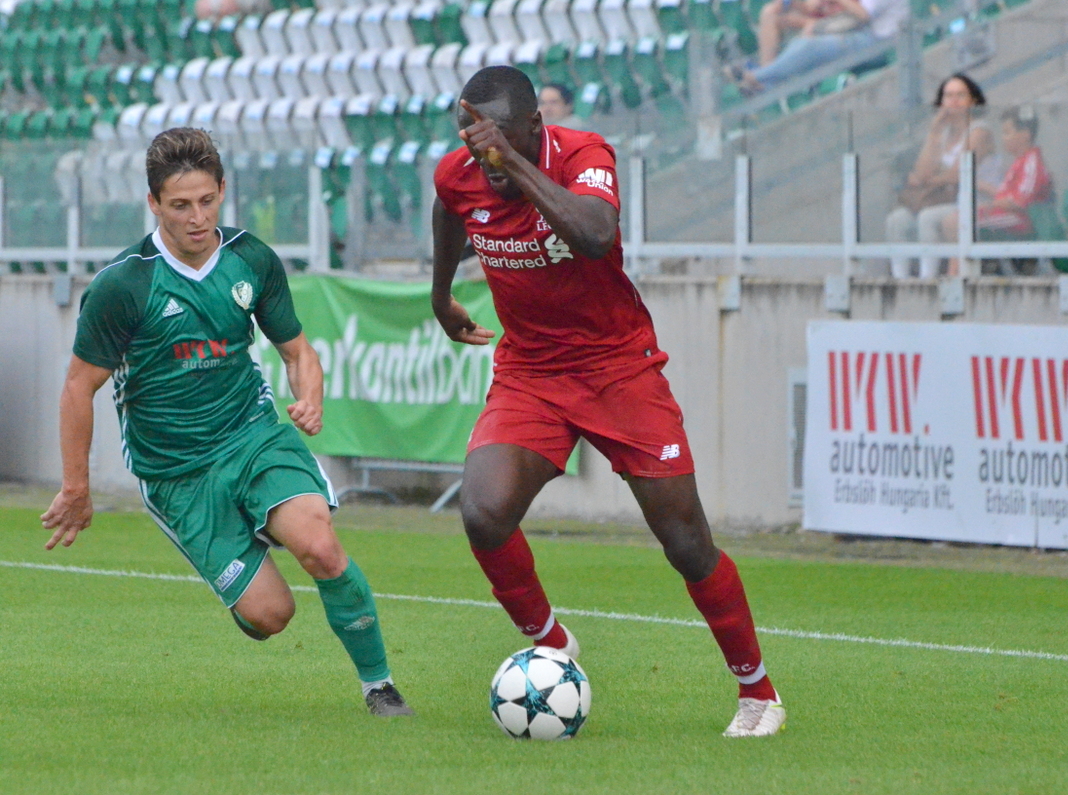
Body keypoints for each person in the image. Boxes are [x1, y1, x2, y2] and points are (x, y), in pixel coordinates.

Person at [431, 66, 785, 738]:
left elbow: (594, 233)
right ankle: (552, 641)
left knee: (685, 541)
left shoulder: (584, 155)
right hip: (531, 370)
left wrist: (514, 166)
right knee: (482, 510)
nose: (485, 160)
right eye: (475, 144)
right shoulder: (461, 170)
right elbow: (450, 206)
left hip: (618, 368)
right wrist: (440, 294)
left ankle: (757, 691)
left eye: (498, 143)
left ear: (535, 128)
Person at [40, 128, 413, 718]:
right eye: (180, 205)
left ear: (222, 191)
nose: (196, 218)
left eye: (207, 201)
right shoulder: (124, 285)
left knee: (320, 548)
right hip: (178, 471)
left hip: (252, 432)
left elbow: (297, 351)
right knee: (271, 617)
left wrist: (309, 398)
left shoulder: (251, 259)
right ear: (153, 204)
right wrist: (76, 487)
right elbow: (77, 388)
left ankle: (379, 686)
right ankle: (251, 566)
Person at [885, 73, 998, 278]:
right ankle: (899, 278)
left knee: (928, 218)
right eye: (948, 96)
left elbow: (957, 173)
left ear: (973, 100)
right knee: (897, 220)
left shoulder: (980, 131)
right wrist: (934, 133)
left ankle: (928, 278)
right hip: (941, 199)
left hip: (974, 200)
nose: (953, 101)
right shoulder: (943, 133)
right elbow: (922, 170)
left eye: (960, 95)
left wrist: (925, 180)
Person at [940, 106, 1053, 275]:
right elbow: (1004, 195)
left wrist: (990, 205)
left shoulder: (1032, 162)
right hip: (1005, 214)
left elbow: (1019, 202)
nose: (1003, 138)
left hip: (1021, 220)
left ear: (1025, 135)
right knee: (956, 217)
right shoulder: (1018, 162)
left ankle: (960, 272)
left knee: (956, 221)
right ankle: (963, 268)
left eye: (1007, 132)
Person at [727, 0, 908, 94]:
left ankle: (759, 77)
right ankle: (765, 80)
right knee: (790, 30)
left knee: (809, 45)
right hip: (857, 32)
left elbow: (863, 15)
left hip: (882, 44)